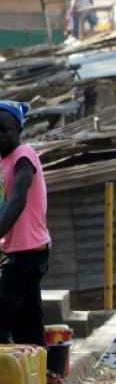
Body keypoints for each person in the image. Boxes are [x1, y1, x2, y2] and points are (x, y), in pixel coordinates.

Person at [0, 101, 50, 346]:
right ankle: (44, 374)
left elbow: (18, 200)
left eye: (4, 129)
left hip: (27, 251)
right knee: (27, 321)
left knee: (3, 316)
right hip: (20, 250)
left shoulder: (23, 155)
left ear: (18, 131)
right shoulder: (3, 161)